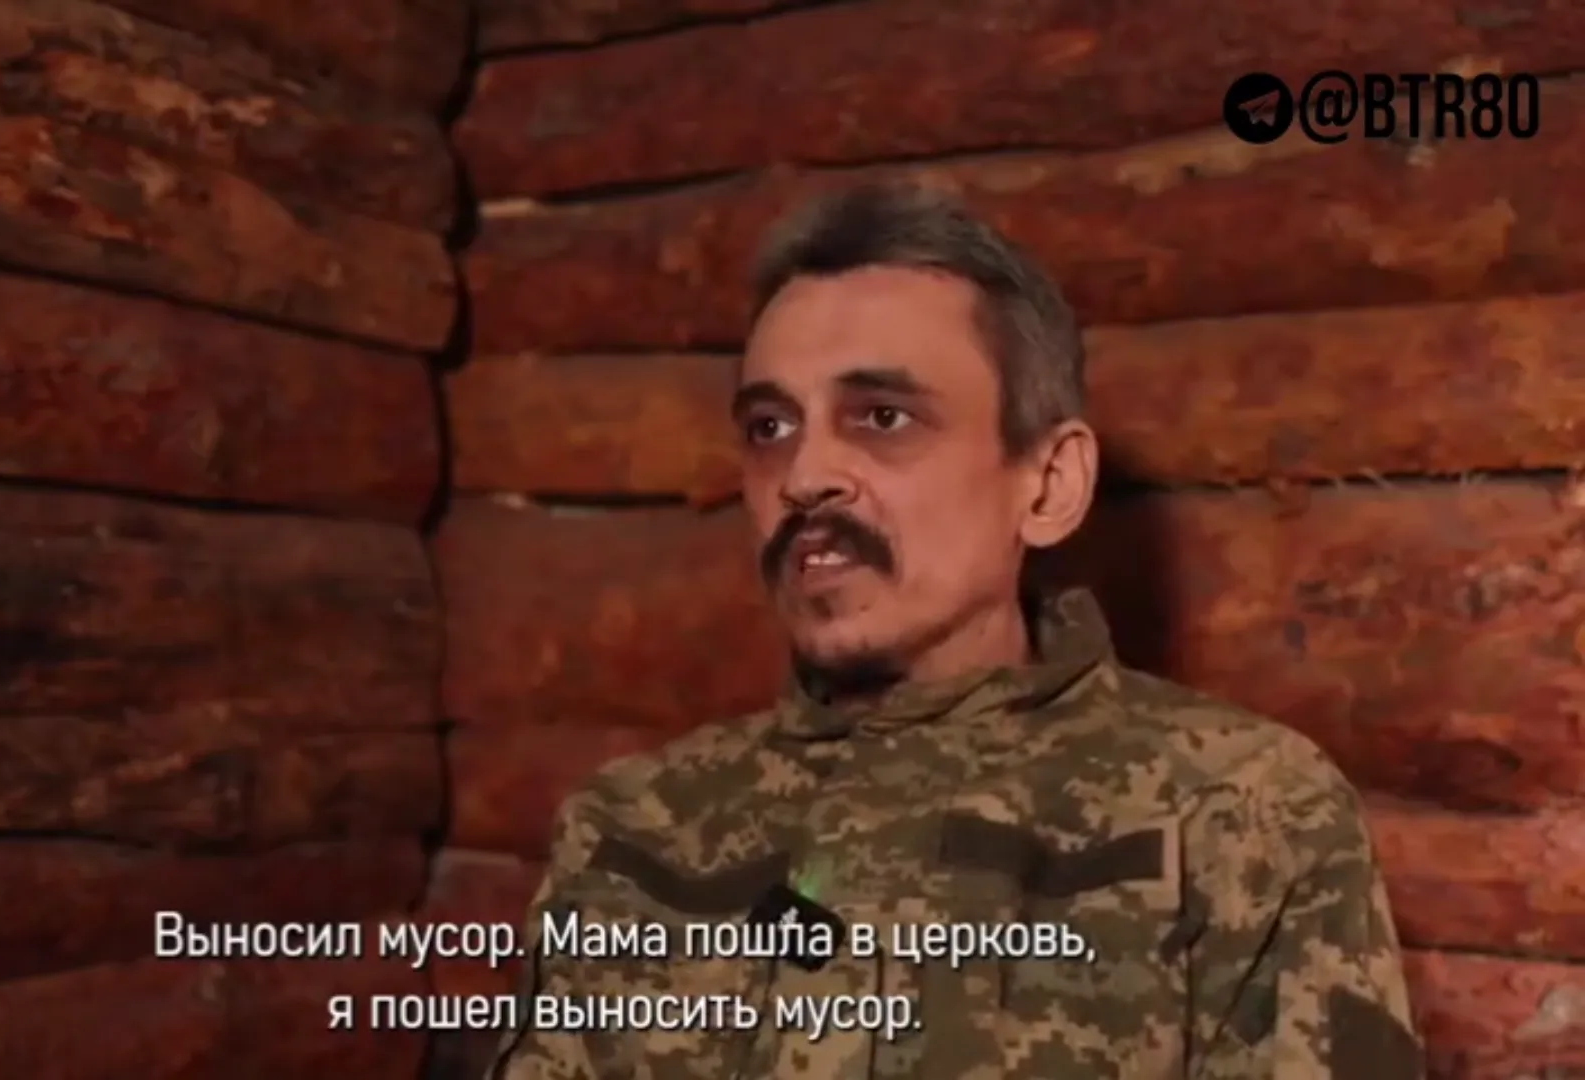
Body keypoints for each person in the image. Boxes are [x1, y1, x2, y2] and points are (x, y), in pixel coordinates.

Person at [483, 181, 1419, 1079]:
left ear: (1048, 485)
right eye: (771, 428)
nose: (805, 476)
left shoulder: (1239, 810)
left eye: (882, 417)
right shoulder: (634, 830)